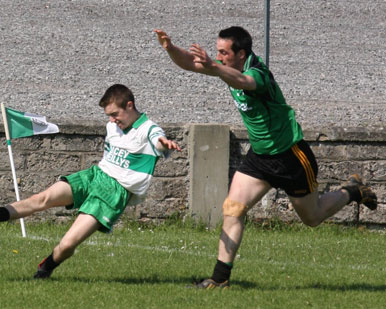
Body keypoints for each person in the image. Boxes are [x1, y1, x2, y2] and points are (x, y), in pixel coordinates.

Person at [155, 27, 377, 289]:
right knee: (233, 209)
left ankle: (351, 191)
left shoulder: (257, 73)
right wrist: (171, 49)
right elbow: (192, 64)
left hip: (290, 157)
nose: (219, 56)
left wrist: (214, 65)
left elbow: (243, 82)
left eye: (224, 52)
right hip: (260, 156)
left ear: (241, 54)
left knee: (312, 218)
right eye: (217, 52)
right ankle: (219, 279)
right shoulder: (225, 67)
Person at [0, 83, 181, 279]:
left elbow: (157, 140)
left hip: (114, 193)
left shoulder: (149, 129)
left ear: (130, 105)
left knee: (67, 244)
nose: (112, 120)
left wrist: (164, 143)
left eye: (115, 114)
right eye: (108, 115)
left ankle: (45, 268)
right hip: (95, 176)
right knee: (42, 198)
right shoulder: (112, 126)